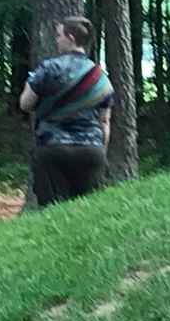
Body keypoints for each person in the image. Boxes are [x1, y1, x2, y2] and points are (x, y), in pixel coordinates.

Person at [17, 16, 114, 205]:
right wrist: (101, 149)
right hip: (90, 150)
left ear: (70, 37)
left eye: (59, 35)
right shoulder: (100, 77)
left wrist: (31, 82)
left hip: (52, 149)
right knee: (88, 210)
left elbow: (25, 104)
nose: (57, 39)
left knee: (52, 211)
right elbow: (105, 121)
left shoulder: (48, 68)